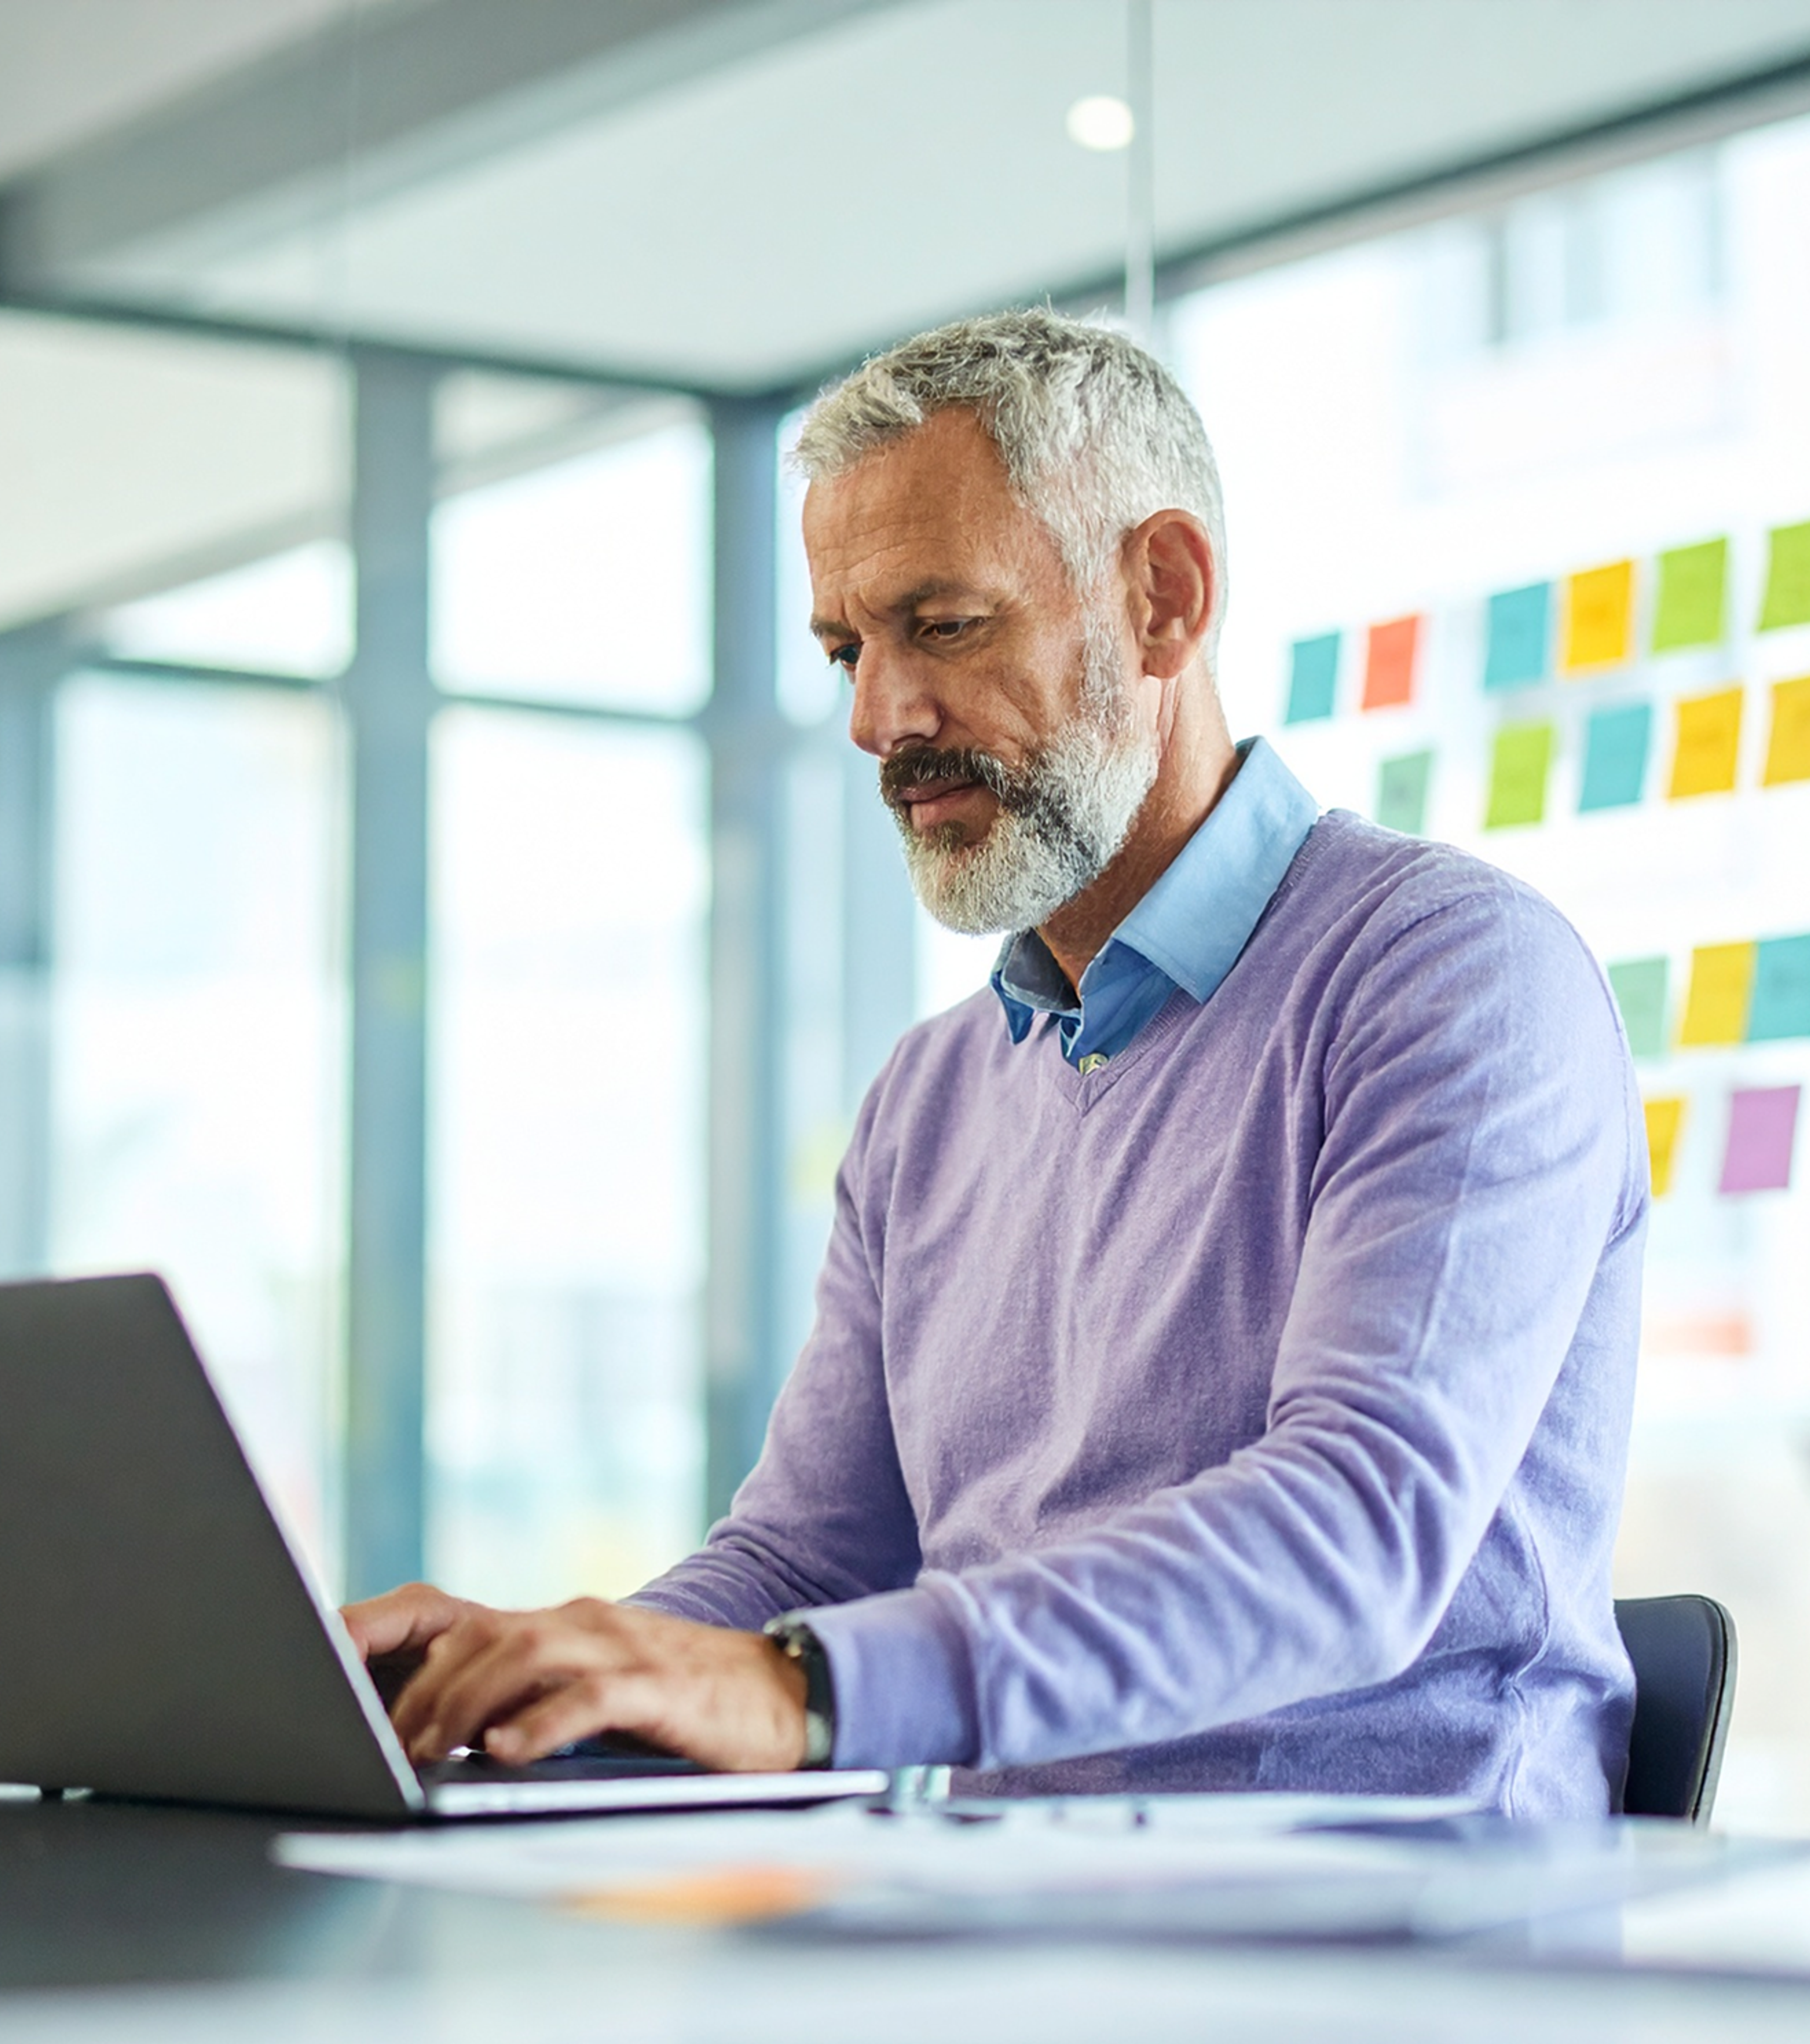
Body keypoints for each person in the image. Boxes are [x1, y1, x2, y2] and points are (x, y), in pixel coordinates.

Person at [346, 309, 1646, 1816]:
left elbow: (1359, 1526)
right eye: (848, 648)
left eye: (942, 625)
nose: (876, 718)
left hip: (1398, 1949)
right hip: (996, 1919)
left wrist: (798, 1688)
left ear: (1163, 598)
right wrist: (549, 1674)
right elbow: (808, 1559)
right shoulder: (931, 1096)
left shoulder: (1451, 975)